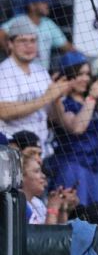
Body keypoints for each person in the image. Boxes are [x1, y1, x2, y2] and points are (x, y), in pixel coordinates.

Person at [49, 50, 98, 206]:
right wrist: (91, 97)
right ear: (66, 76)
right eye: (79, 74)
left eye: (87, 74)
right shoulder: (60, 102)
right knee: (76, 214)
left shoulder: (97, 102)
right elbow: (77, 127)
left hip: (96, 170)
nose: (85, 78)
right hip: (72, 169)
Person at [0, 16, 70, 157]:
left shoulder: (41, 71)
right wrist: (47, 97)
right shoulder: (3, 72)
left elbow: (53, 117)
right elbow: (4, 111)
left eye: (33, 40)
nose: (29, 46)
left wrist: (57, 96)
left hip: (42, 151)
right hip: (14, 153)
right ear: (10, 44)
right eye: (23, 41)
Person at [0, 0, 74, 70]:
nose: (47, 5)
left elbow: (66, 46)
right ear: (32, 6)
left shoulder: (48, 23)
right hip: (19, 70)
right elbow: (1, 34)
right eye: (43, 2)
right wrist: (11, 53)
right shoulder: (20, 20)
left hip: (42, 72)